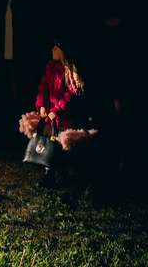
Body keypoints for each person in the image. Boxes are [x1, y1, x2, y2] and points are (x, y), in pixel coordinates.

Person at [19, 38, 96, 187]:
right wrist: (43, 105)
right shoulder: (51, 69)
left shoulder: (71, 72)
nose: (52, 50)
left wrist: (57, 110)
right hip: (52, 118)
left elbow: (71, 95)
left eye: (56, 47)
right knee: (51, 145)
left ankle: (73, 174)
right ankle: (50, 173)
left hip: (66, 119)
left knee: (66, 148)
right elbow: (44, 88)